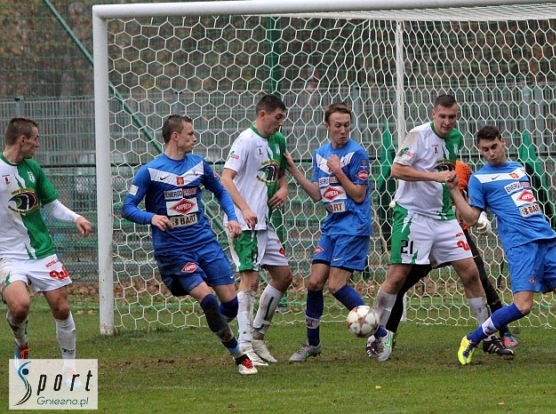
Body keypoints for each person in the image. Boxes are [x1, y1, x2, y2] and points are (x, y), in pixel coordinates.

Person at [121, 115, 256, 375]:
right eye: (190, 134)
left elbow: (221, 190)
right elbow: (127, 208)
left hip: (205, 243)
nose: (195, 138)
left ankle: (217, 323)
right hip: (174, 250)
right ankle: (239, 355)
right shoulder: (150, 171)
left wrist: (232, 217)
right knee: (207, 299)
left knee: (230, 305)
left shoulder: (199, 164)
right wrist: (152, 217)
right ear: (176, 136)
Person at [449, 125, 556, 365]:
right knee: (523, 306)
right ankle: (472, 339)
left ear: (503, 142)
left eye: (494, 146)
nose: (491, 153)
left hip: (546, 239)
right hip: (521, 245)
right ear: (480, 150)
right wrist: (454, 191)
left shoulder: (518, 168)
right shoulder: (480, 179)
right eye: (485, 149)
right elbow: (471, 217)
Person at [366, 94, 490, 362]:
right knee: (397, 278)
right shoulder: (417, 135)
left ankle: (487, 334)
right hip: (413, 216)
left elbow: (448, 177)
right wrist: (434, 176)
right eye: (442, 116)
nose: (447, 122)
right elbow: (396, 170)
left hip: (443, 217)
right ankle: (378, 335)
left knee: (471, 273)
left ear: (457, 117)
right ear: (433, 114)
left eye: (452, 117)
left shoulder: (455, 138)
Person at [384, 160, 517, 356]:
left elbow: (471, 196)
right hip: (424, 231)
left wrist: (480, 216)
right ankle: (386, 336)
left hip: (453, 230)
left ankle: (499, 334)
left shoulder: (461, 168)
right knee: (399, 283)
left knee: (477, 277)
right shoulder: (417, 163)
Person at [0, 118, 93, 374]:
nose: (38, 144)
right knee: (20, 306)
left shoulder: (33, 169)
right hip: (8, 255)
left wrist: (76, 217)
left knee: (61, 306)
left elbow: (51, 204)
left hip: (42, 251)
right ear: (22, 140)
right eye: (36, 139)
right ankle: (22, 344)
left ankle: (70, 369)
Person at [281, 102, 373, 362]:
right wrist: (293, 168)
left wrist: (338, 171)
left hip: (353, 225)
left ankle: (379, 333)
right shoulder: (320, 154)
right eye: (337, 126)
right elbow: (316, 194)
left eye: (346, 125)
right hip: (332, 225)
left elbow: (358, 194)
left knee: (335, 285)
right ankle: (313, 344)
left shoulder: (357, 154)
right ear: (327, 126)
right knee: (313, 283)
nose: (343, 130)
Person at [220, 94, 290, 366]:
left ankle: (258, 335)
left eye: (282, 119)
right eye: (277, 118)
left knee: (283, 276)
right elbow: (226, 178)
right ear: (263, 115)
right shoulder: (246, 141)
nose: (280, 123)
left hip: (264, 223)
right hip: (244, 224)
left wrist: (283, 188)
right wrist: (245, 209)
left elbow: (280, 174)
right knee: (249, 282)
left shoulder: (278, 140)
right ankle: (245, 346)